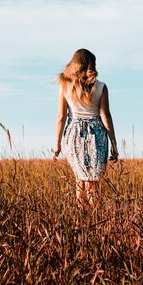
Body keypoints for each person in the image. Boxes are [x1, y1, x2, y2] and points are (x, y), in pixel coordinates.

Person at [52, 48, 118, 206]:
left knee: (79, 180)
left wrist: (57, 145)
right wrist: (114, 143)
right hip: (96, 133)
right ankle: (94, 220)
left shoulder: (65, 86)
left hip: (74, 133)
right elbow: (105, 115)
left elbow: (61, 117)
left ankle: (81, 220)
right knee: (93, 183)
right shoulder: (101, 86)